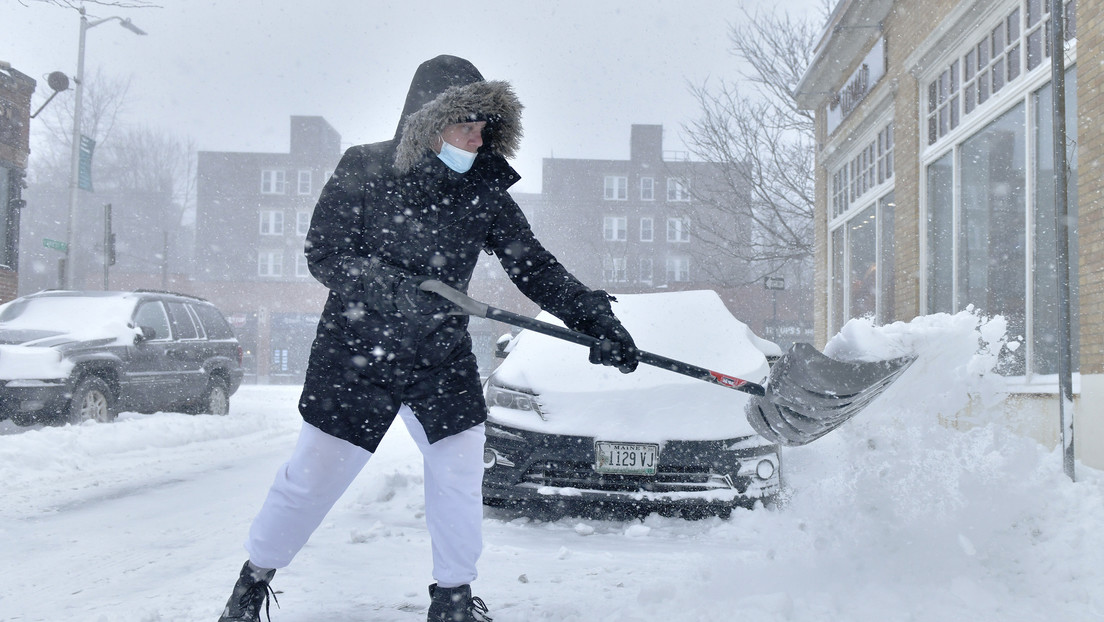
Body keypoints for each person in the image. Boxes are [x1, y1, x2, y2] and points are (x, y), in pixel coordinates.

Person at [217, 54, 639, 622]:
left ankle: (453, 600)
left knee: (459, 472)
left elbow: (533, 266)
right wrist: (396, 287)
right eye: (466, 122)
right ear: (427, 120)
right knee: (311, 479)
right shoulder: (363, 169)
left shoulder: (484, 188)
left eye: (484, 124)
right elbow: (327, 255)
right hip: (356, 353)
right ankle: (252, 582)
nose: (476, 134)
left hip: (439, 356)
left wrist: (595, 319)